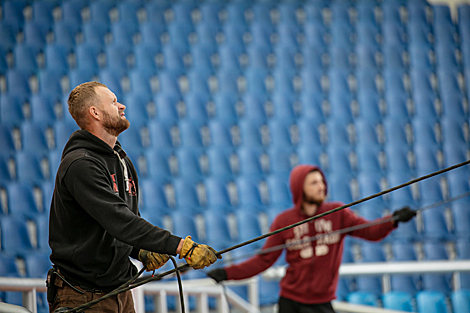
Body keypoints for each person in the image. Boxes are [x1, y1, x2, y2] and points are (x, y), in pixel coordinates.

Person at [48, 82, 221, 313]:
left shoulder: (123, 161)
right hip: (82, 297)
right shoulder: (81, 164)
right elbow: (119, 221)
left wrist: (139, 251)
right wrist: (181, 246)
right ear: (95, 112)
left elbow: (124, 222)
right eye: (113, 101)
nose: (122, 106)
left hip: (120, 292)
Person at [207, 165, 416, 313]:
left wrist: (392, 220)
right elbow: (263, 260)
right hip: (290, 302)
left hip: (321, 303)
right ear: (300, 188)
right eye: (314, 182)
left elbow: (370, 232)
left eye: (322, 181)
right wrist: (227, 272)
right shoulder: (284, 220)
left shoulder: (338, 213)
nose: (321, 186)